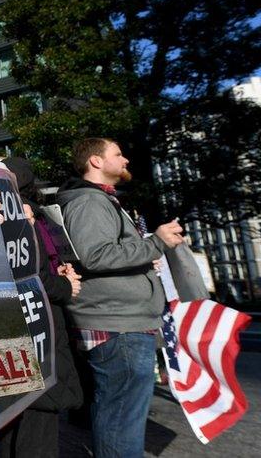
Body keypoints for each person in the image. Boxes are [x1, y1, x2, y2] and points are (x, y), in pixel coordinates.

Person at [56, 138, 184, 458]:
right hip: (117, 325)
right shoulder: (89, 202)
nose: (125, 159)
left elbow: (107, 253)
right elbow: (96, 255)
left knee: (117, 412)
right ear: (96, 162)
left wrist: (144, 256)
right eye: (118, 154)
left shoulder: (101, 200)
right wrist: (156, 243)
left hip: (121, 321)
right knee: (122, 417)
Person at [0, 156, 82, 458]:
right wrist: (66, 287)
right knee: (37, 426)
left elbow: (37, 268)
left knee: (19, 423)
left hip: (27, 329)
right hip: (36, 330)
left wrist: (57, 274)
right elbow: (33, 277)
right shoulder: (18, 213)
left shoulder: (12, 212)